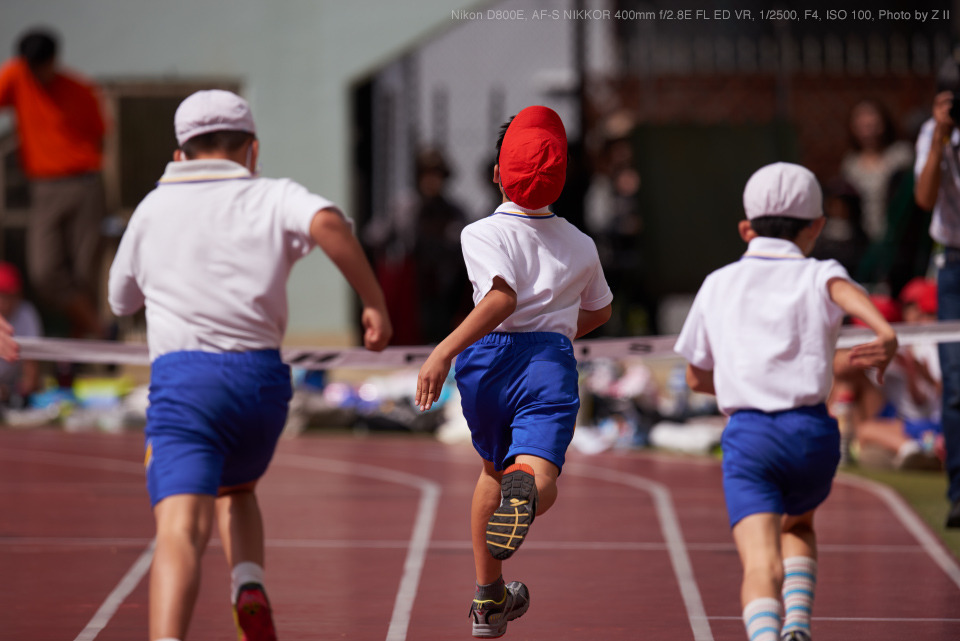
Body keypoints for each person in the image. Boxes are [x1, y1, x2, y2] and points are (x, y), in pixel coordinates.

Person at [108, 90, 392, 641]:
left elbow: (121, 302)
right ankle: (248, 581)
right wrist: (373, 303)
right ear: (252, 150)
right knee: (237, 490)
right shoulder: (272, 195)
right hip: (261, 386)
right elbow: (331, 223)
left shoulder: (152, 207)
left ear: (180, 153)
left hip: (186, 383)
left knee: (180, 531)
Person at [674, 162, 898, 641]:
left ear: (745, 228)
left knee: (761, 565)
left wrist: (742, 382)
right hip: (812, 435)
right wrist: (883, 330)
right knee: (798, 526)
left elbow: (695, 377)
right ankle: (797, 624)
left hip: (752, 438)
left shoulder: (718, 283)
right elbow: (846, 293)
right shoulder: (820, 273)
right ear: (816, 226)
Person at [415, 106, 612, 638]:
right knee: (537, 472)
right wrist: (560, 330)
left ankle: (489, 600)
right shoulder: (581, 244)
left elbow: (499, 297)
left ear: (499, 172)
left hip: (486, 364)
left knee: (489, 469)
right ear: (561, 179)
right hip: (547, 360)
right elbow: (600, 310)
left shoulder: (479, 233)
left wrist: (443, 352)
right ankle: (526, 490)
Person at [0, 27, 108, 339]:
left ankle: (82, 352)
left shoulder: (79, 88)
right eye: (30, 67)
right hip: (44, 187)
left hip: (84, 184)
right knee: (45, 270)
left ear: (53, 61)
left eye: (42, 67)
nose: (37, 73)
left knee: (84, 271)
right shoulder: (17, 78)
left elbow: (100, 135)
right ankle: (99, 330)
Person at [914, 53, 960, 528]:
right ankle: (959, 493)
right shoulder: (934, 134)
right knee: (955, 385)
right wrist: (942, 140)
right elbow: (925, 198)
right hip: (954, 264)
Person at [0, 262, 41, 405]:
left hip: (11, 389)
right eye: (2, 295)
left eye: (10, 295)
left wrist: (23, 390)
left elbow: (31, 363)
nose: (5, 302)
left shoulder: (26, 313)